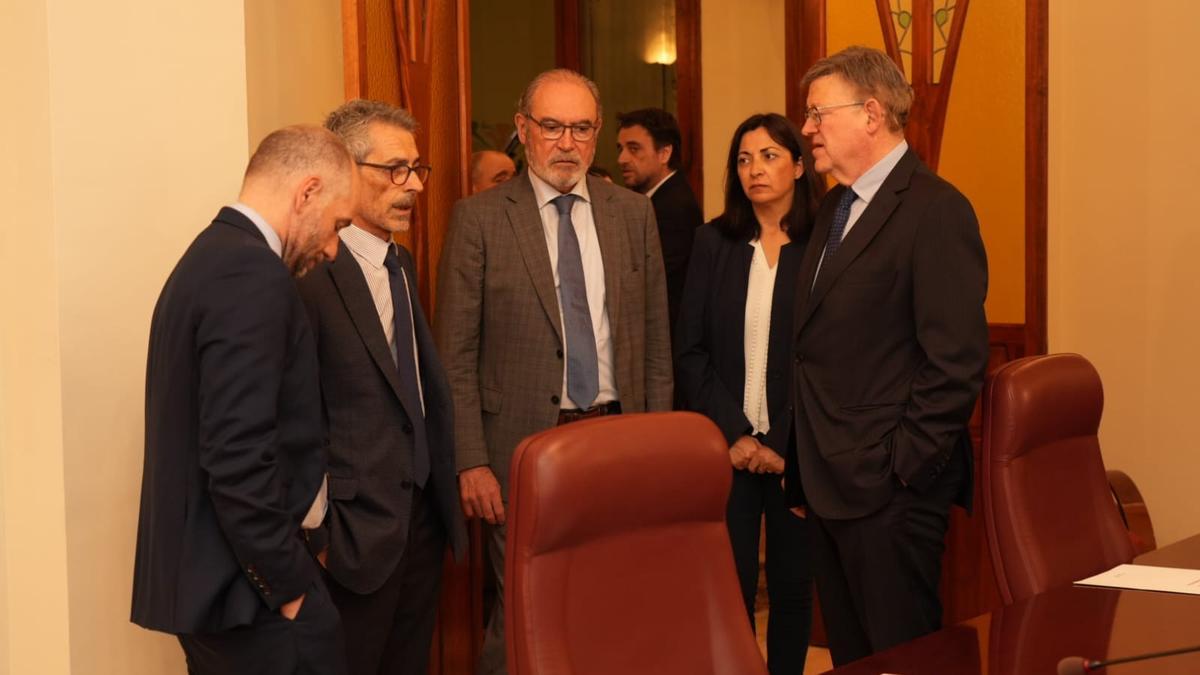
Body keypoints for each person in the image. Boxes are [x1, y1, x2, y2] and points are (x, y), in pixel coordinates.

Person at [434, 68, 673, 675]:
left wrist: (657, 444)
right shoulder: (480, 218)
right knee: (524, 609)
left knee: (614, 598)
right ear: (523, 130)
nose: (567, 143)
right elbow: (455, 352)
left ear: (596, 135)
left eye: (581, 128)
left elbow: (653, 341)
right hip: (520, 446)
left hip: (615, 437)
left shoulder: (631, 215)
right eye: (551, 127)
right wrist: (470, 459)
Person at [131, 124, 356, 675]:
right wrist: (288, 587)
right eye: (336, 225)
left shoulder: (209, 256)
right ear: (306, 192)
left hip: (223, 594)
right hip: (251, 603)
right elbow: (236, 455)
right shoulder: (250, 273)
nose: (331, 248)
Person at [789, 46, 989, 665]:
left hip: (889, 496)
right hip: (828, 485)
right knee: (854, 658)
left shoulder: (936, 210)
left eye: (819, 113)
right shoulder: (833, 209)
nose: (807, 129)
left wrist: (899, 471)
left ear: (871, 114)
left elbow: (955, 361)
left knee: (908, 662)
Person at [296, 100, 468, 675]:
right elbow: (296, 410)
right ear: (346, 169)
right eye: (394, 169)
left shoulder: (402, 262)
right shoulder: (311, 272)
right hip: (351, 534)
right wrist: (319, 533)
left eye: (417, 169)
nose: (413, 185)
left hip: (420, 519)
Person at [675, 113, 824, 675]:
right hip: (727, 449)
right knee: (730, 588)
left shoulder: (823, 245)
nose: (754, 169)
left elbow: (825, 359)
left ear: (799, 166)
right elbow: (690, 350)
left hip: (796, 450)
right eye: (743, 159)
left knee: (791, 589)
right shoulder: (713, 242)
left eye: (769, 156)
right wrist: (735, 433)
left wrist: (781, 442)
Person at [616, 108, 703, 340]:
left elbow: (651, 288)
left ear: (664, 153)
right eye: (621, 149)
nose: (622, 159)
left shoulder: (674, 208)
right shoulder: (654, 201)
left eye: (634, 149)